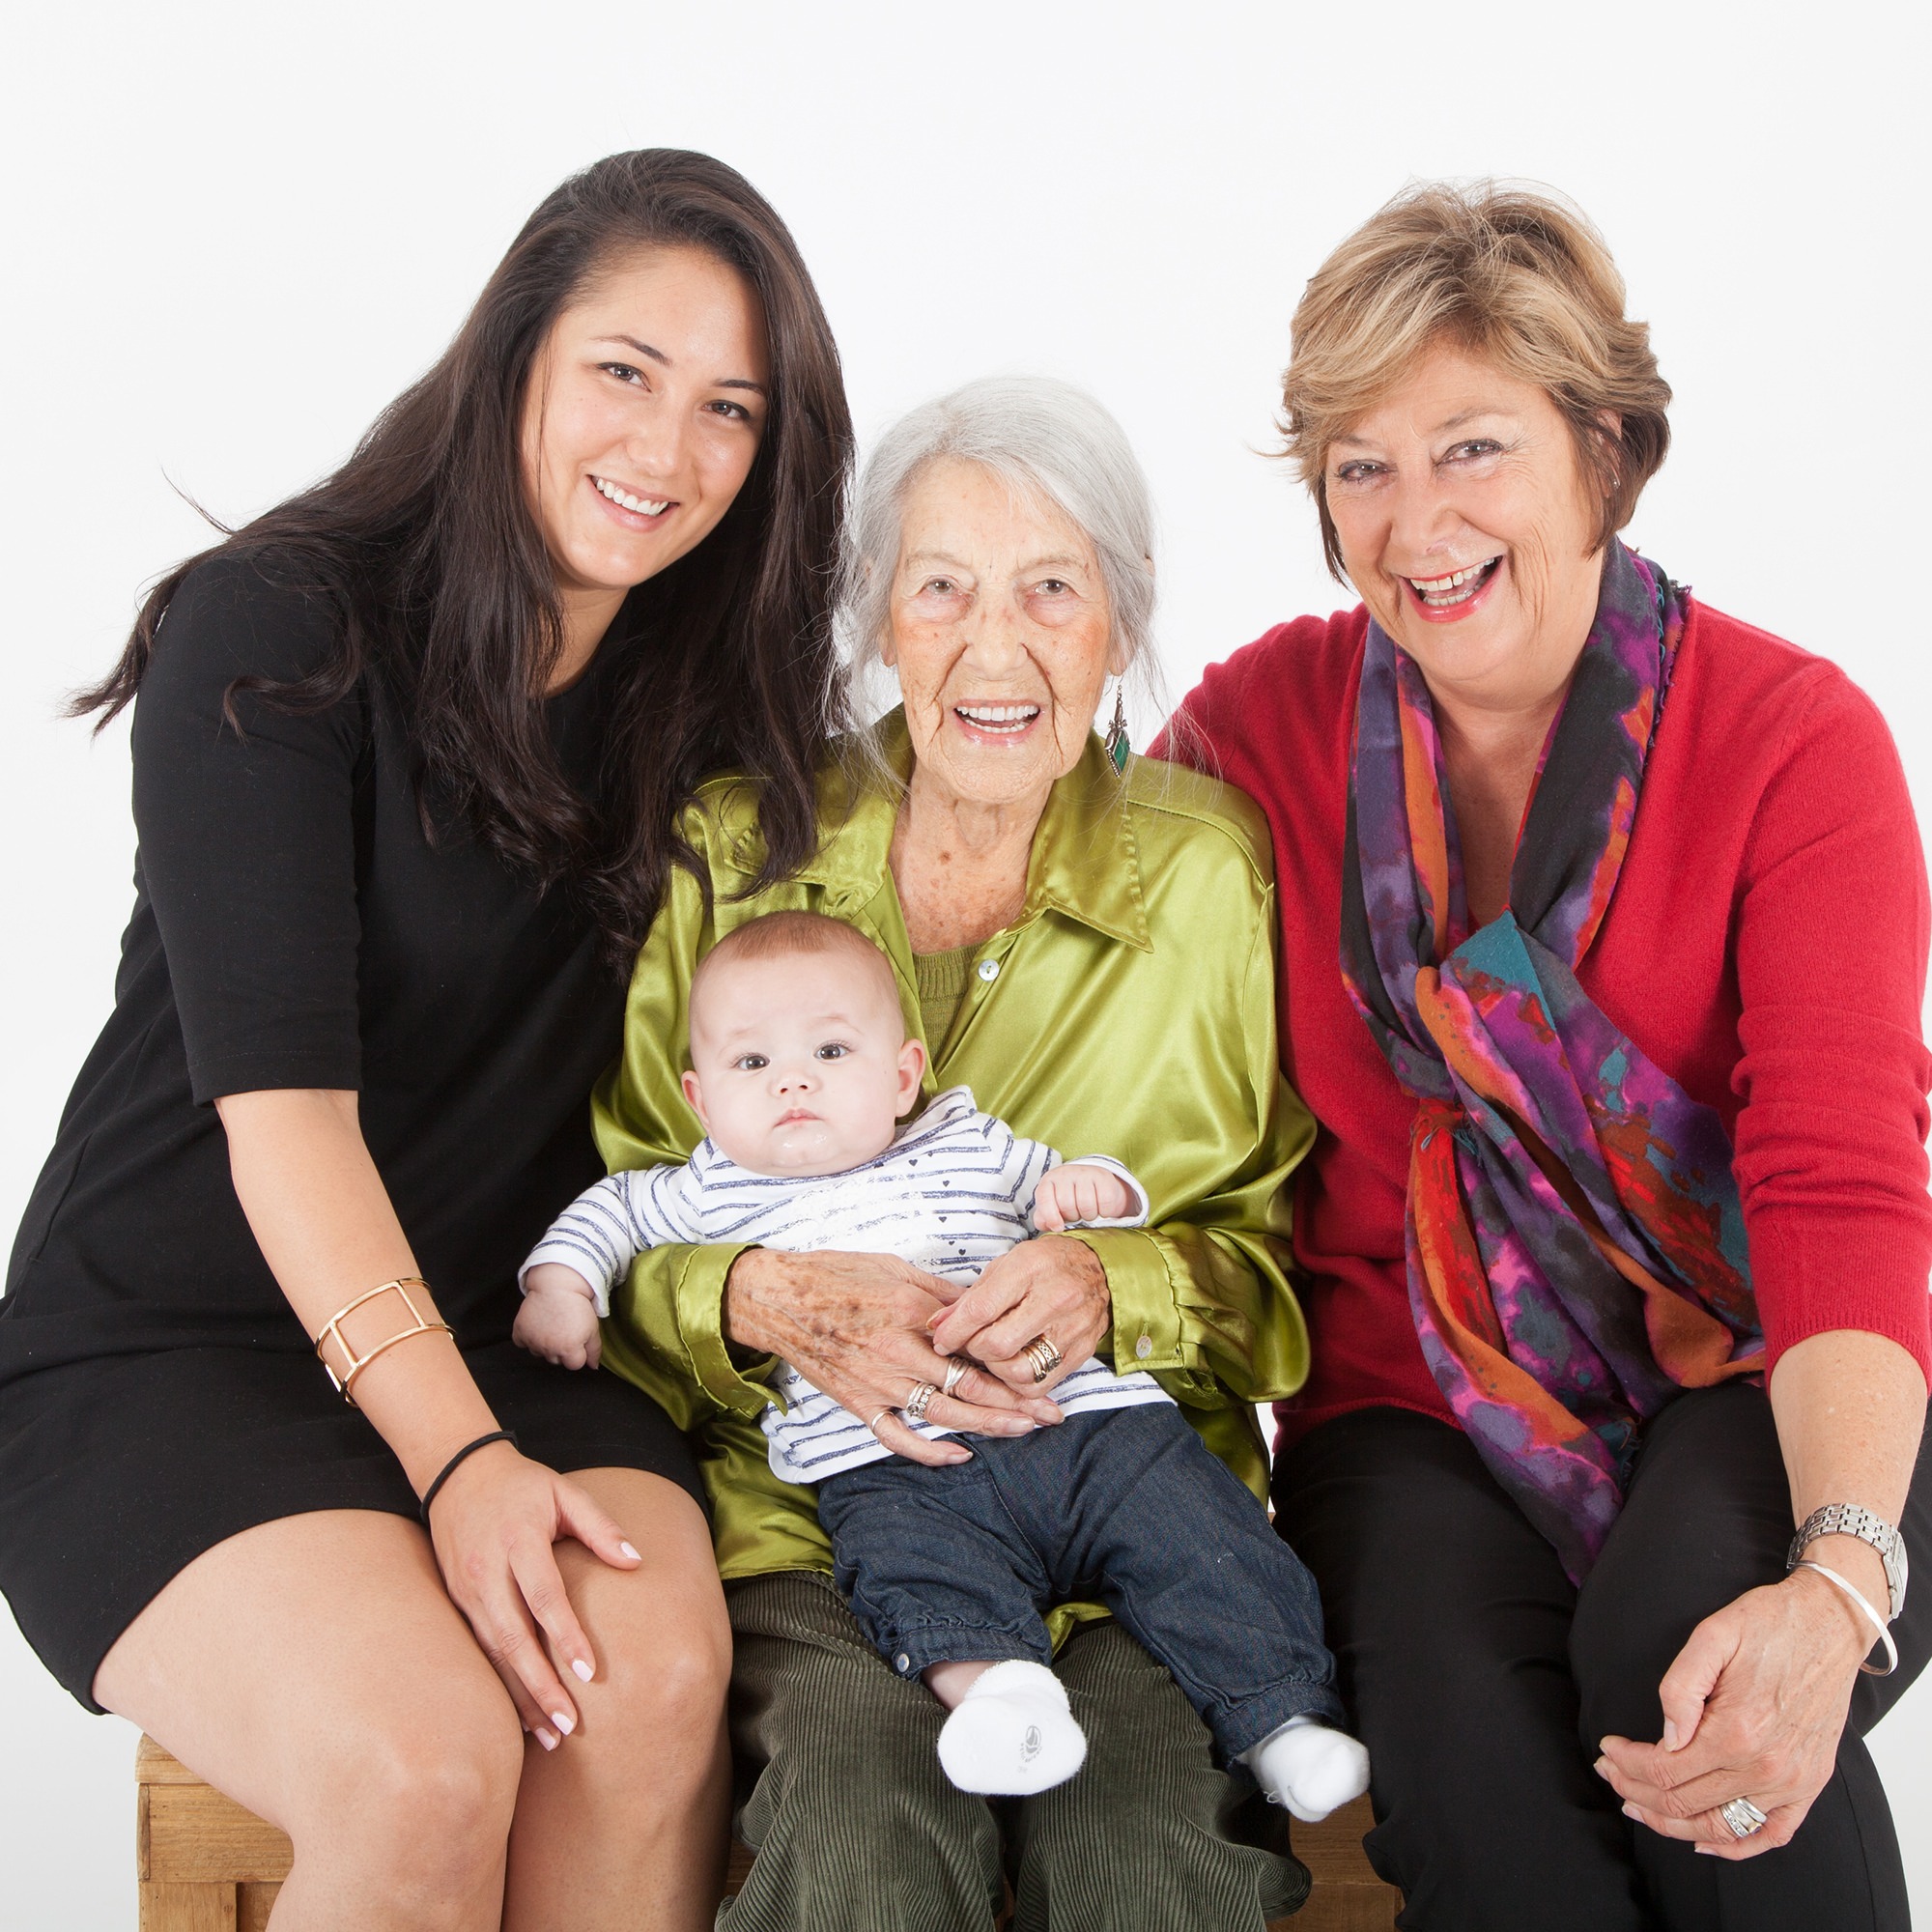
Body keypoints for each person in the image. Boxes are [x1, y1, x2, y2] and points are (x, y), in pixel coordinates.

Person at [0, 149, 854, 1932]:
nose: (667, 449)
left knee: (644, 1700)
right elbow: (286, 1121)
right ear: (516, 352)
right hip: (179, 1345)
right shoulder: (277, 631)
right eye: (624, 370)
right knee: (427, 1763)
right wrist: (460, 1463)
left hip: (510, 1319)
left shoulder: (702, 703)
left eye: (729, 412)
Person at [1162, 182, 1932, 1932]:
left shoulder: (1793, 743)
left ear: (1604, 453)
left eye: (1473, 448)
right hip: (1409, 1403)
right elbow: (1077, 951)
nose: (1415, 520)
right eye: (1360, 465)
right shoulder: (1249, 737)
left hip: (1776, 1358)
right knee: (1464, 1762)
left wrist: (1834, 1580)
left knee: (1689, 1665)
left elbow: (1837, 1181)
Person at [587, 374, 1321, 1932]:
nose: (997, 647)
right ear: (879, 623)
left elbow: (1279, 1269)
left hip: (1133, 1515)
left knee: (1141, 1850)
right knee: (862, 1826)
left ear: (1117, 626)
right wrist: (756, 1300)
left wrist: (1109, 1278)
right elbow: (619, 1234)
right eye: (942, 589)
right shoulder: (736, 851)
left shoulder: (1209, 876)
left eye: (1053, 590)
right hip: (825, 1520)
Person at [518, 908, 1368, 1814]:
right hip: (899, 1466)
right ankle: (1004, 1701)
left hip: (1091, 1428)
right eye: (752, 1063)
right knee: (915, 1582)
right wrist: (563, 1288)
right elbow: (606, 1217)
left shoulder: (966, 1139)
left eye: (831, 1054)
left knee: (1203, 1541)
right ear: (699, 1098)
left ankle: (1282, 1725)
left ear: (902, 1075)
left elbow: (1081, 1196)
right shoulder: (705, 1188)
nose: (791, 1083)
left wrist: (1097, 1189)